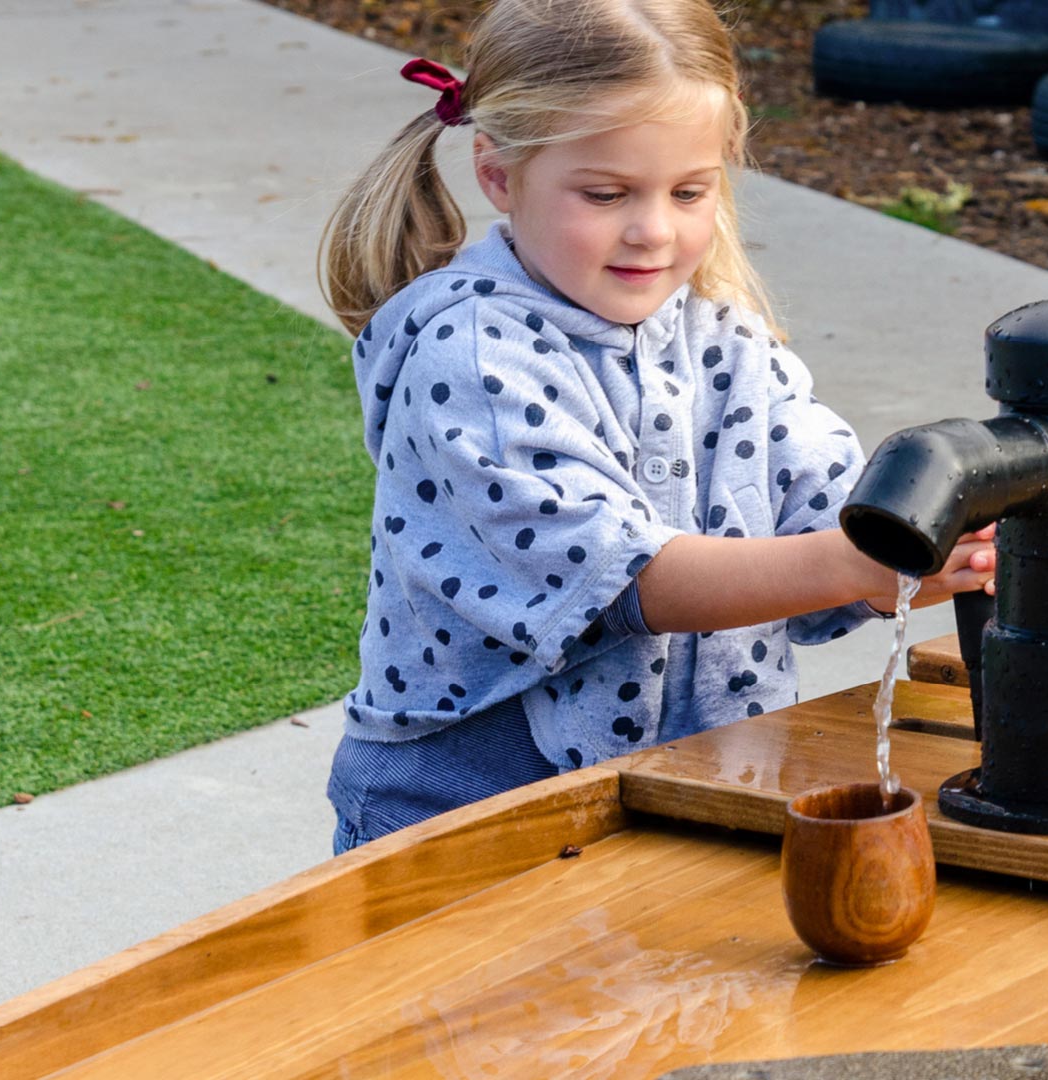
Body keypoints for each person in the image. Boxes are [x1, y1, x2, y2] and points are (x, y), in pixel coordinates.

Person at [318, 0, 996, 854]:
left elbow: (823, 517)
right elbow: (625, 579)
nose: (653, 231)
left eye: (688, 192)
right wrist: (848, 561)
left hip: (696, 778)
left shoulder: (721, 331)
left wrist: (917, 562)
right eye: (606, 194)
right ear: (498, 174)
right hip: (466, 800)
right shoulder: (473, 355)